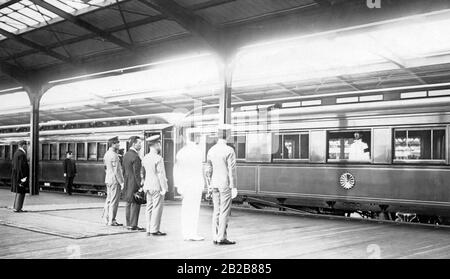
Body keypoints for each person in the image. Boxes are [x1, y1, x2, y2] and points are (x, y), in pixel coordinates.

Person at [205, 129, 238, 245]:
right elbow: (231, 170)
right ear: (227, 136)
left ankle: (215, 236)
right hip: (225, 184)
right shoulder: (229, 150)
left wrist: (209, 184)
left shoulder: (211, 150)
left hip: (214, 183)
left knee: (216, 211)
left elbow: (208, 169)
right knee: (224, 211)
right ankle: (221, 237)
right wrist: (233, 186)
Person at [174, 133, 205, 241]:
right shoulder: (197, 151)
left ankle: (186, 233)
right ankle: (192, 233)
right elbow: (199, 170)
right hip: (195, 184)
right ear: (196, 138)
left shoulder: (181, 152)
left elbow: (177, 170)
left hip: (185, 185)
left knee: (185, 209)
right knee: (194, 210)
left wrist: (178, 185)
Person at [142, 135, 168, 236]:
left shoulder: (145, 157)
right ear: (156, 145)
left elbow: (144, 172)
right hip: (157, 186)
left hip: (148, 185)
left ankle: (148, 228)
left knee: (149, 207)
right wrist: (164, 188)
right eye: (159, 144)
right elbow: (161, 174)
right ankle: (155, 229)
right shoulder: (158, 158)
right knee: (157, 208)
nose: (160, 146)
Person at [123, 136, 145, 231]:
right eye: (139, 143)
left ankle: (128, 223)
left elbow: (124, 170)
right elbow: (137, 174)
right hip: (134, 183)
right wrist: (140, 185)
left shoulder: (126, 155)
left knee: (128, 203)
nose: (141, 145)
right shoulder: (136, 157)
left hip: (127, 181)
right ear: (134, 144)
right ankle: (133, 225)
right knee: (136, 203)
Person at [102, 136, 124, 226]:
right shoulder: (114, 155)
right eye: (117, 143)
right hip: (114, 180)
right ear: (113, 144)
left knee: (108, 200)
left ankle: (106, 218)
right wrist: (121, 182)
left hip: (108, 179)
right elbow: (117, 171)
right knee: (114, 201)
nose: (119, 145)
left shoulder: (106, 154)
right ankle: (112, 220)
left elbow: (105, 168)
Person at [11, 140, 29, 213]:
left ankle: (16, 207)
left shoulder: (16, 153)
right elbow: (22, 166)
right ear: (23, 145)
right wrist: (23, 177)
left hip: (17, 175)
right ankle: (18, 208)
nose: (27, 147)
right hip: (21, 176)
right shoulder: (21, 154)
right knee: (21, 191)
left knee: (19, 191)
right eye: (26, 145)